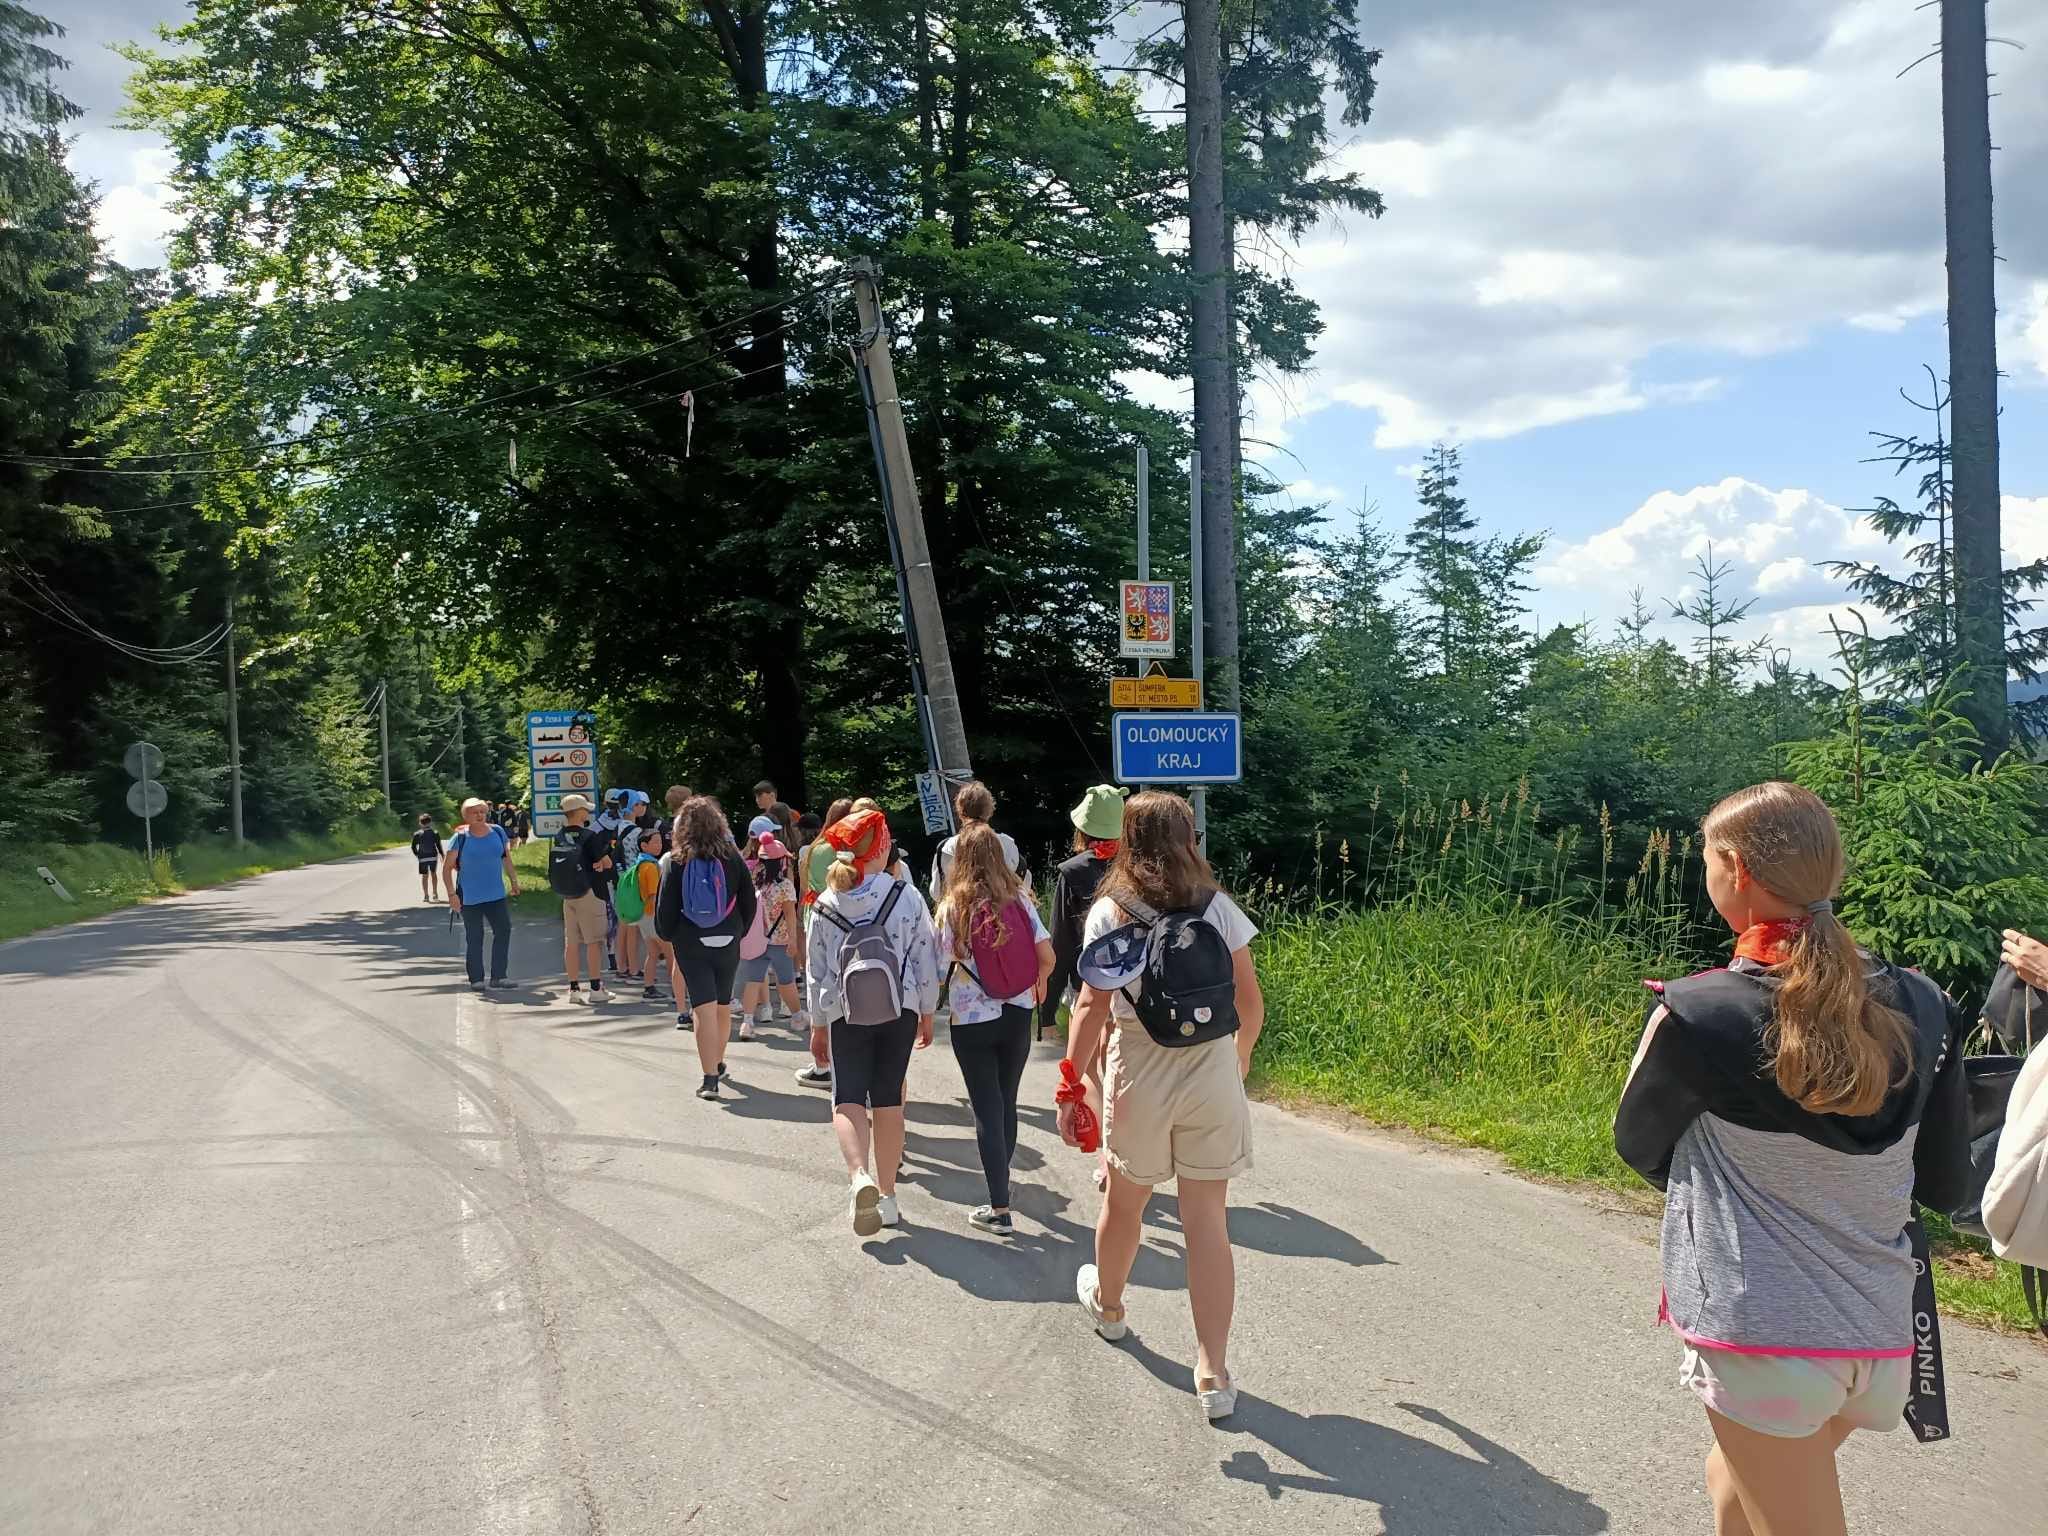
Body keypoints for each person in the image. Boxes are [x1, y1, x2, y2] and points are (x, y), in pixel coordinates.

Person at [1614, 782, 1970, 1536]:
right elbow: (1943, 1177)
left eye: (1708, 861)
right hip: (1880, 1331)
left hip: (1761, 1335)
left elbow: (1640, 1146)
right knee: (1733, 1482)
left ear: (1736, 869)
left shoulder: (1696, 1011)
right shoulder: (1925, 1001)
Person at [1059, 790, 1263, 1422]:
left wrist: (1071, 1084)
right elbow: (1250, 1003)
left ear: (1127, 841)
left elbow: (1091, 1006)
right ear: (1187, 838)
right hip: (1211, 1072)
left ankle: (1110, 1307)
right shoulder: (1217, 906)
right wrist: (1237, 1062)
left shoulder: (1110, 912)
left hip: (1139, 1074)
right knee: (1207, 1224)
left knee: (1125, 1205)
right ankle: (1213, 1373)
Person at [808, 806, 940, 1235]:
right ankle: (888, 1197)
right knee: (888, 1101)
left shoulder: (825, 903)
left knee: (847, 1098)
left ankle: (858, 1176)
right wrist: (927, 1010)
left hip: (844, 1011)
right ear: (881, 848)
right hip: (899, 1008)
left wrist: (818, 1024)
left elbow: (816, 970)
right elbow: (925, 957)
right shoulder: (905, 895)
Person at [936, 823, 1055, 1235]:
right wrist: (1037, 985)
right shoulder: (1020, 899)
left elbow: (939, 964)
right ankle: (1000, 1179)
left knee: (985, 1106)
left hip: (971, 1019)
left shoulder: (954, 906)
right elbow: (1047, 956)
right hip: (1018, 1011)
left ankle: (999, 1206)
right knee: (1007, 1101)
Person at [659, 796, 757, 1101]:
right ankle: (718, 1061)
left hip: (690, 941)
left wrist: (671, 935)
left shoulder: (675, 860)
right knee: (723, 1005)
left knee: (702, 1007)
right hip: (728, 938)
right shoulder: (732, 856)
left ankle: (710, 1079)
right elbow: (749, 899)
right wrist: (738, 931)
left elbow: (665, 909)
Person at [793, 799, 855, 1087]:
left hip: (816, 915)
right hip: (847, 919)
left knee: (818, 983)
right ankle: (848, 1060)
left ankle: (822, 1064)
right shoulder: (850, 849)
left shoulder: (814, 848)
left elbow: (805, 888)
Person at [444, 796, 521, 992]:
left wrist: (514, 881)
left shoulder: (498, 832)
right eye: (474, 813)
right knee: (475, 937)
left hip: (496, 895)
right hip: (470, 897)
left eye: (482, 812)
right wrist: (452, 895)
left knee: (503, 931)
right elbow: (447, 868)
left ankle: (499, 976)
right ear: (466, 816)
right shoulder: (460, 838)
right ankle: (476, 979)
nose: (479, 815)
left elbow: (506, 858)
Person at [739, 833, 804, 1038]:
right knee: (786, 981)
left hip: (756, 939)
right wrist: (793, 940)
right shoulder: (784, 886)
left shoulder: (753, 882)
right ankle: (797, 1017)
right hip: (779, 940)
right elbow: (790, 915)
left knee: (753, 981)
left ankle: (747, 1023)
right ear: (782, 861)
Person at [551, 793, 614, 1003]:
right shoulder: (589, 836)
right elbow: (607, 863)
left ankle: (574, 989)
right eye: (585, 809)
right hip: (590, 892)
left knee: (572, 942)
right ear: (579, 812)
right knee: (594, 942)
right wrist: (600, 863)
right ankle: (596, 989)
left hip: (567, 894)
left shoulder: (559, 835)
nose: (587, 812)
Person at [928, 779, 1028, 898]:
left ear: (960, 812)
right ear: (989, 810)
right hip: (1001, 908)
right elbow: (1022, 887)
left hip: (961, 908)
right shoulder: (1007, 844)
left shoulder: (946, 848)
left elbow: (936, 893)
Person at [411, 813, 445, 902]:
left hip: (422, 858)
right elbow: (438, 846)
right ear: (430, 823)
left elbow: (413, 847)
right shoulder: (435, 833)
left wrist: (417, 855)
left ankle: (426, 896)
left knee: (425, 876)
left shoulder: (417, 834)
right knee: (433, 874)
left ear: (420, 823)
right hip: (433, 857)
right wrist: (442, 855)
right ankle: (435, 893)